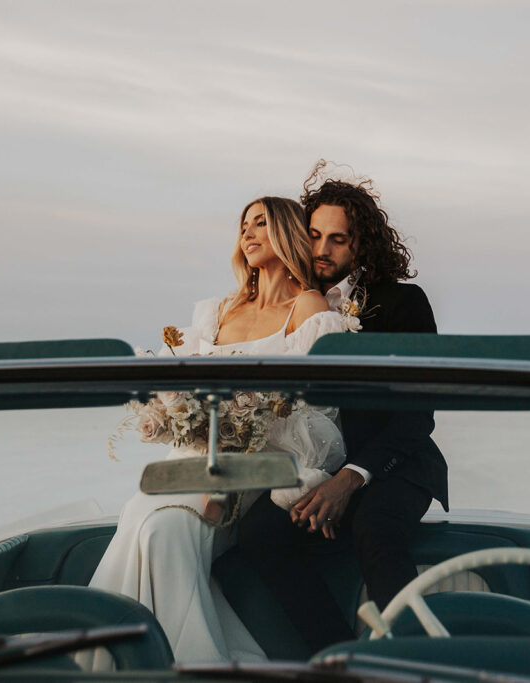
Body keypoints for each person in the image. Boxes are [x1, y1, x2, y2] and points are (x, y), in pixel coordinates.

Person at [89, 197, 348, 663]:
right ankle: (127, 660)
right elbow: (179, 382)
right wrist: (173, 409)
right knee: (139, 517)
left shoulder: (309, 308)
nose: (247, 234)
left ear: (287, 231)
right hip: (189, 460)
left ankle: (178, 662)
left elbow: (315, 411)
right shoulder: (218, 311)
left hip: (250, 471)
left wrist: (244, 420)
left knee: (162, 529)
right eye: (243, 225)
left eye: (261, 223)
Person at [238, 165, 449, 653]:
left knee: (373, 528)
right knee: (258, 533)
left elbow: (420, 414)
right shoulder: (291, 303)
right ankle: (336, 657)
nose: (322, 250)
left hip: (394, 464)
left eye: (338, 239)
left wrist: (351, 477)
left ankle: (413, 662)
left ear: (361, 246)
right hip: (314, 467)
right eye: (313, 235)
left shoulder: (402, 303)